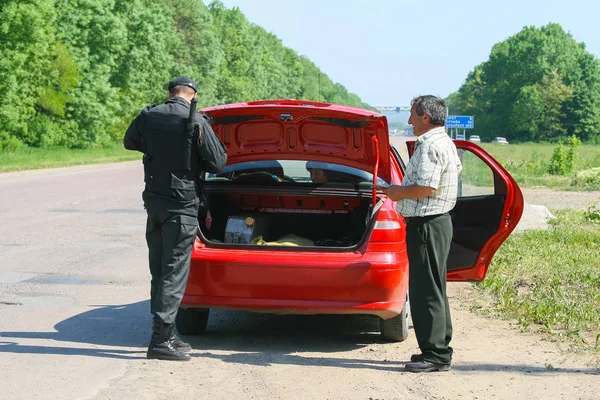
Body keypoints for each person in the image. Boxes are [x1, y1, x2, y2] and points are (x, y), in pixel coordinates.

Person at [124, 76, 227, 361]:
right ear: (193, 96)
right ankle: (160, 341)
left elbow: (129, 141)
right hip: (181, 206)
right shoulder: (196, 121)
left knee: (158, 268)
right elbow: (219, 163)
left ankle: (165, 334)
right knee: (174, 271)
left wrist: (158, 149)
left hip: (154, 202)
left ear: (170, 93)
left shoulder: (149, 114)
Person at [381, 95, 462, 373]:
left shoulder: (429, 145)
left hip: (427, 224)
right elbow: (456, 173)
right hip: (438, 222)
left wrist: (396, 192)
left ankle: (436, 355)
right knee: (434, 288)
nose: (409, 121)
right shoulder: (446, 142)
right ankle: (439, 348)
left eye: (413, 115)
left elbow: (426, 187)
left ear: (426, 117)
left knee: (425, 290)